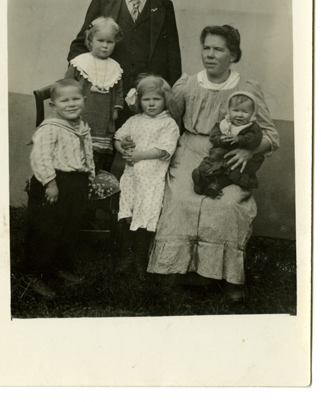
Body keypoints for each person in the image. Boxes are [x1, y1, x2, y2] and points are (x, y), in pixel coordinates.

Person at [147, 25, 280, 302]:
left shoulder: (247, 89)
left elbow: (271, 135)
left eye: (218, 49)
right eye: (206, 48)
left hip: (229, 158)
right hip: (190, 151)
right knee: (182, 199)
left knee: (228, 203)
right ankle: (175, 269)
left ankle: (228, 277)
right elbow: (165, 115)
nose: (210, 54)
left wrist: (248, 150)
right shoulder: (188, 85)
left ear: (233, 55)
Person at [67, 0, 182, 127]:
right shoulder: (104, 0)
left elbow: (173, 57)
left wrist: (167, 98)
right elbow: (79, 47)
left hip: (148, 100)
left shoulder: (164, 6)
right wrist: (86, 86)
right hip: (106, 99)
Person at [24, 79, 95, 299]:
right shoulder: (51, 128)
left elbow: (87, 154)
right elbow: (41, 157)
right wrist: (50, 183)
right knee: (47, 229)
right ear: (54, 105)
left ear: (84, 100)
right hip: (53, 183)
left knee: (69, 227)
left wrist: (89, 178)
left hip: (76, 182)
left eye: (76, 98)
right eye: (64, 100)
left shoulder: (82, 126)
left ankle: (59, 266)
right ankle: (33, 273)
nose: (71, 104)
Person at [114, 75, 180, 278]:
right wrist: (122, 147)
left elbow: (163, 150)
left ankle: (141, 259)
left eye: (156, 99)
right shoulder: (134, 121)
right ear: (139, 101)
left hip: (151, 180)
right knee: (129, 214)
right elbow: (117, 137)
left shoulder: (168, 124)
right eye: (146, 100)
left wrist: (139, 155)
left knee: (146, 218)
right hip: (132, 177)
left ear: (165, 100)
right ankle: (128, 256)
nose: (151, 104)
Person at [65, 16, 124, 172]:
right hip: (82, 113)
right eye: (100, 41)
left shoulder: (115, 67)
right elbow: (67, 85)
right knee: (77, 148)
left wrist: (116, 109)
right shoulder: (80, 62)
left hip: (103, 116)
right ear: (90, 41)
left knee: (97, 151)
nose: (105, 46)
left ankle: (92, 173)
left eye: (109, 42)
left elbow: (118, 90)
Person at [192, 91, 265, 198]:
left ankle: (215, 185)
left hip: (242, 156)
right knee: (215, 160)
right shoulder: (224, 124)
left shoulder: (252, 127)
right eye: (235, 110)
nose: (239, 115)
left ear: (253, 113)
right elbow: (213, 136)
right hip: (223, 153)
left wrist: (239, 139)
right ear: (229, 111)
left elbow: (255, 139)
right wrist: (221, 139)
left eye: (245, 112)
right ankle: (203, 180)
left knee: (237, 170)